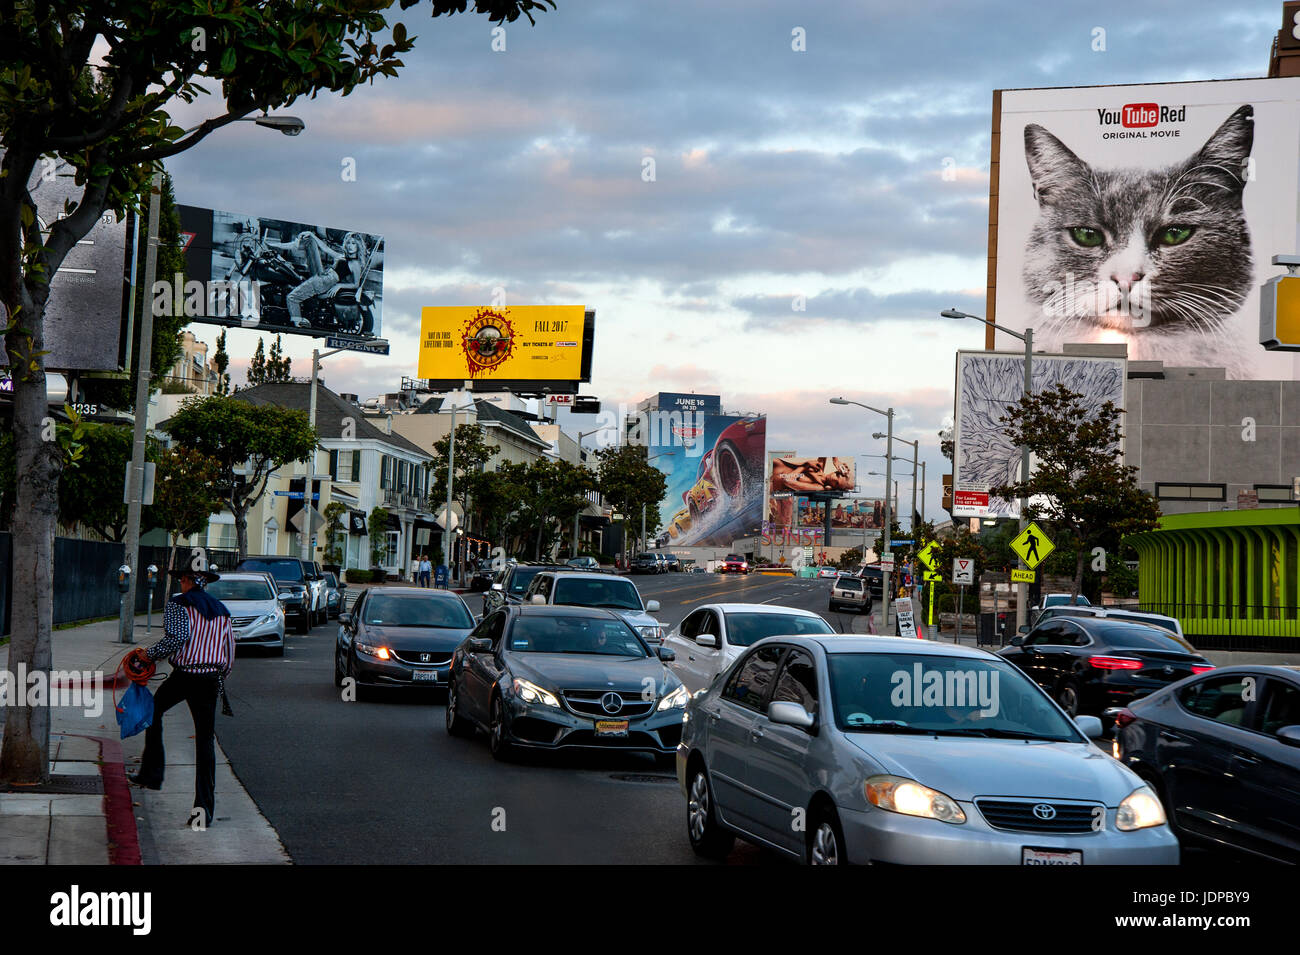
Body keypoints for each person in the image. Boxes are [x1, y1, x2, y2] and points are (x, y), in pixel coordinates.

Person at [130, 559, 234, 829]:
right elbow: (229, 652)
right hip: (210, 678)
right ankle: (203, 812)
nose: (180, 583)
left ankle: (152, 774)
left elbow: (177, 637)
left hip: (186, 675)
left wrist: (147, 656)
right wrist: (219, 677)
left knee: (153, 710)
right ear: (206, 583)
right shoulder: (222, 610)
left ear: (188, 581)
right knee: (205, 743)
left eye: (182, 579)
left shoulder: (178, 604)